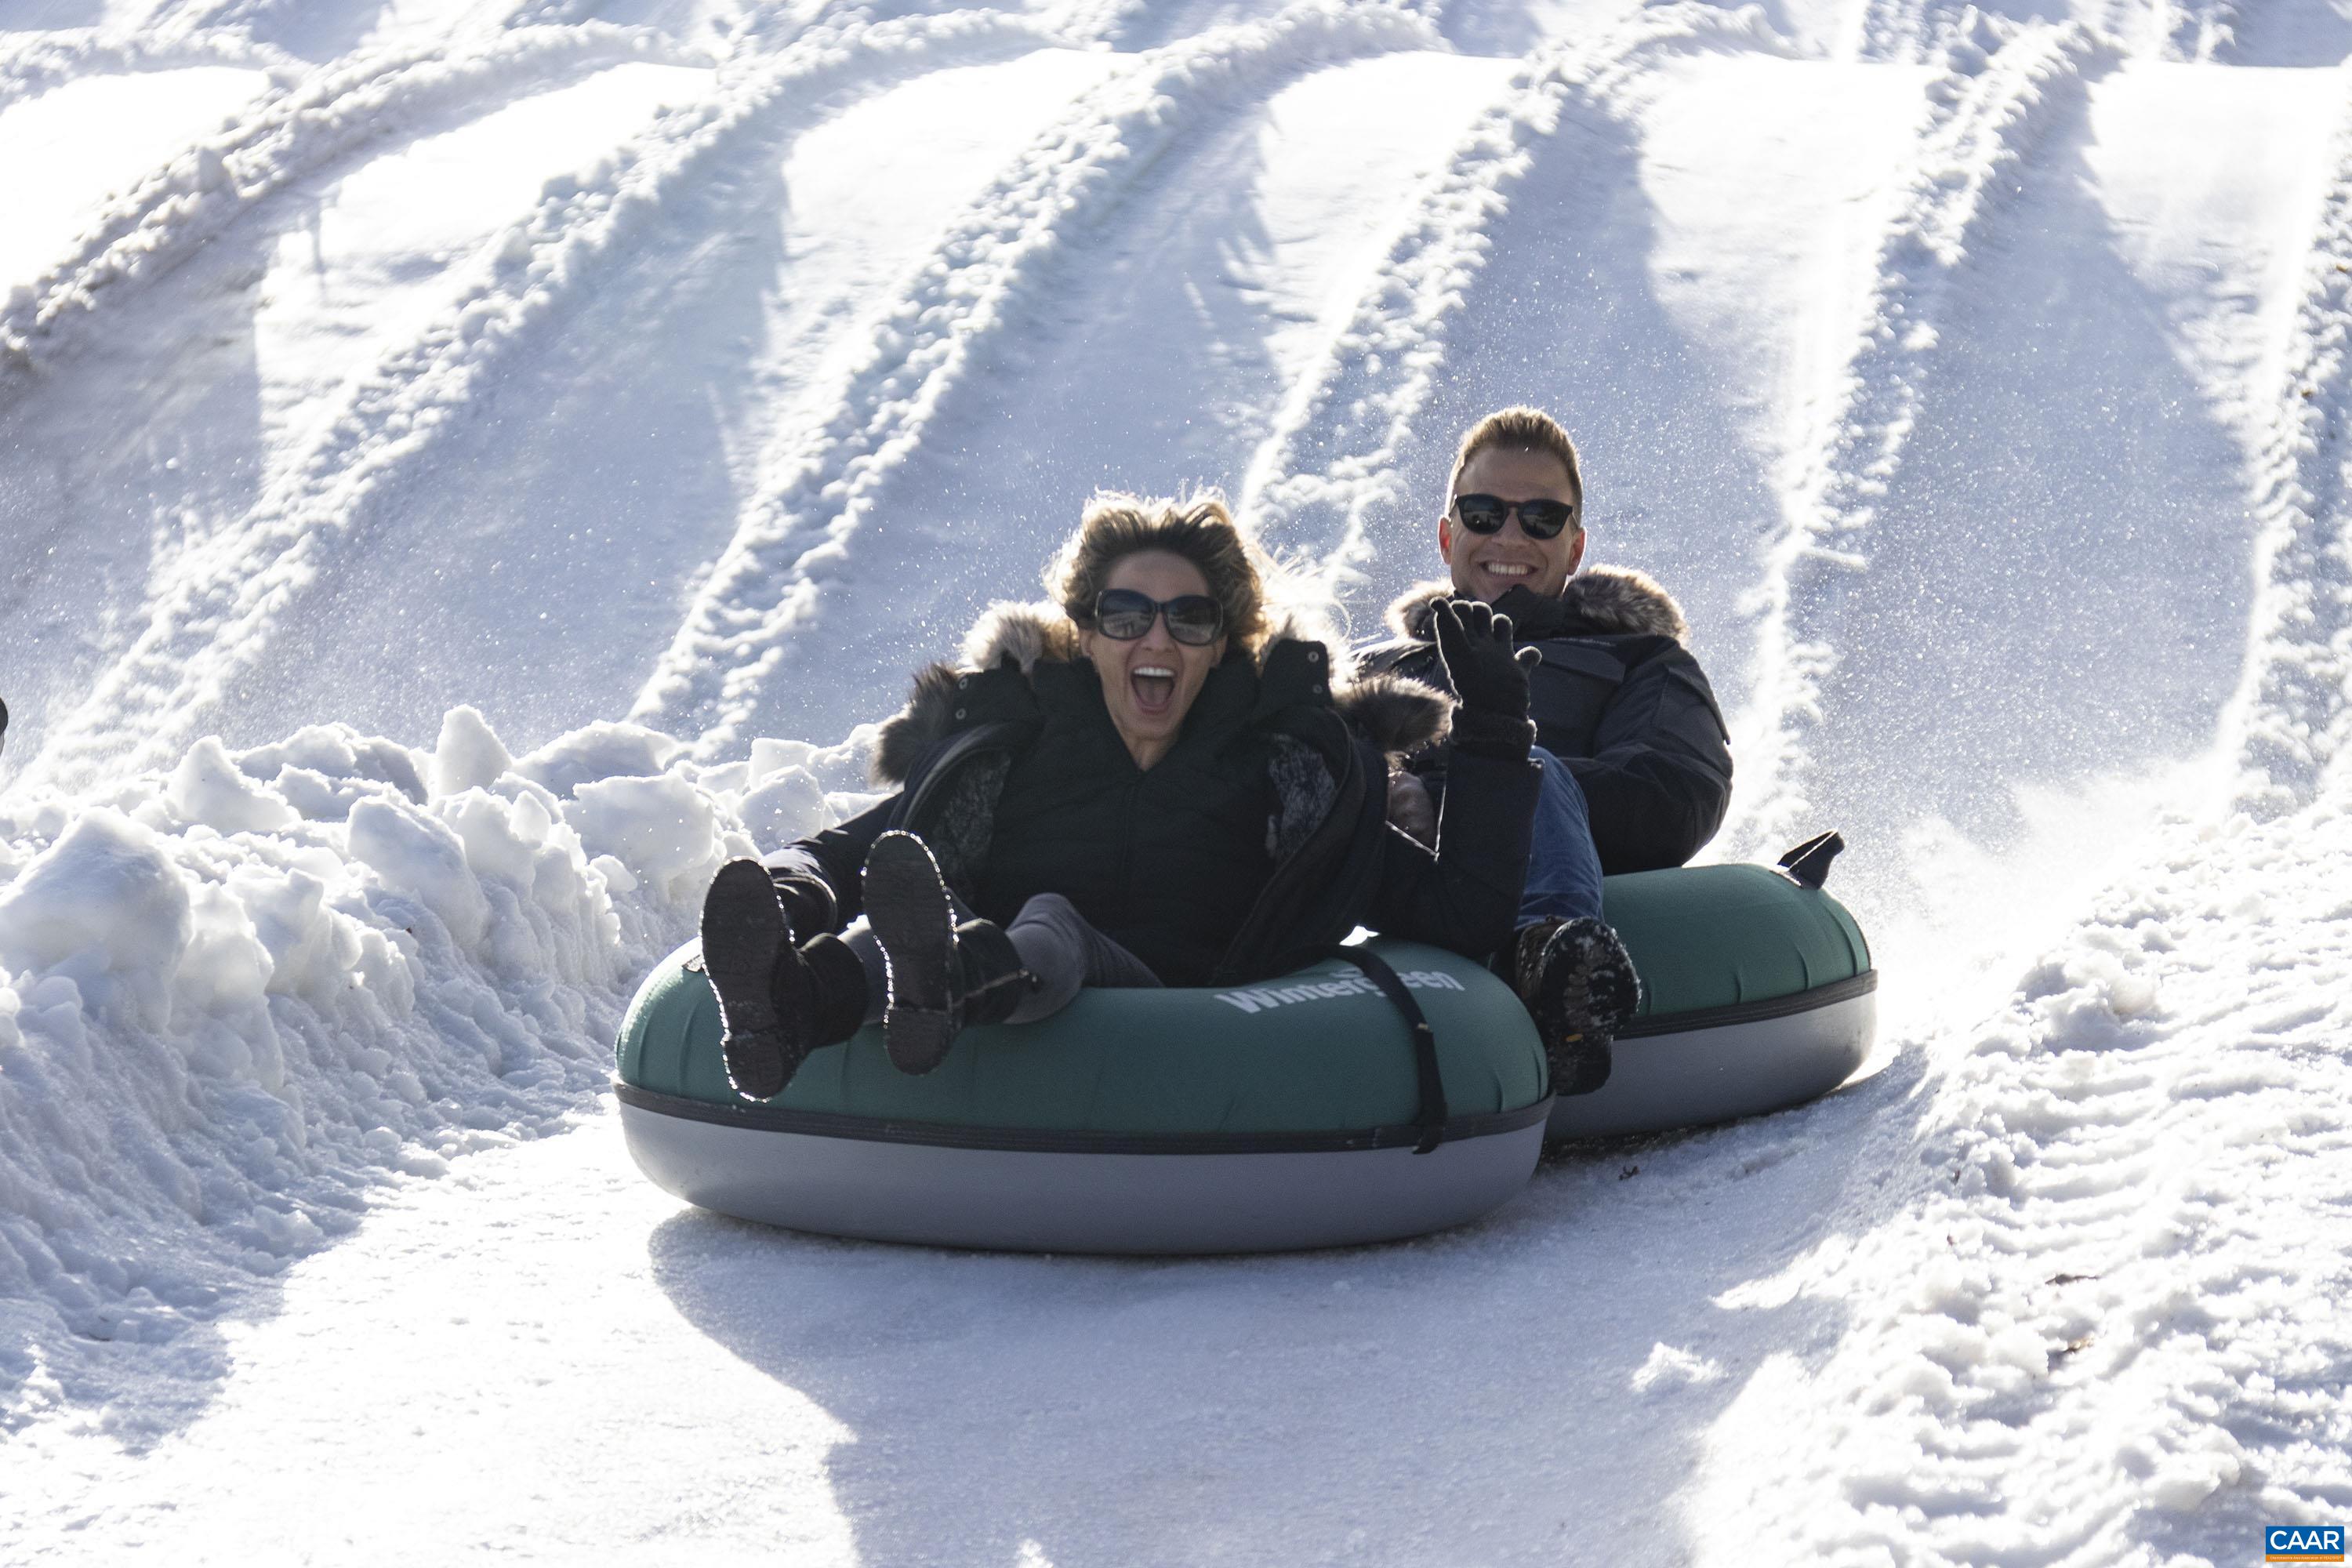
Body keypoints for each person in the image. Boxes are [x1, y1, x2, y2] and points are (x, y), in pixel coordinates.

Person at [697, 493, 1552, 1102]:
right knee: (922, 897)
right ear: (1087, 634)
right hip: (960, 970)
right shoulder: (1020, 750)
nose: (1157, 638)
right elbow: (864, 851)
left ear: (1222, 645)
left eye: (1190, 618)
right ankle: (791, 1010)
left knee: (1052, 920)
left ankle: (952, 977)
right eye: (1127, 614)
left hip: (1172, 1012)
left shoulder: (1283, 777)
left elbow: (1461, 911)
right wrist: (789, 891)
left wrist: (1493, 731)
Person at [1360, 407, 1734, 1091]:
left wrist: (1467, 796)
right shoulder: (1379, 670)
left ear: (1575, 546)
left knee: (1529, 766)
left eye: (1540, 519)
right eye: (1483, 514)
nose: (1509, 537)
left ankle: (1551, 971)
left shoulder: (1636, 658)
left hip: (1550, 879)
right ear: (1447, 535)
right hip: (1384, 897)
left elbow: (1674, 792)